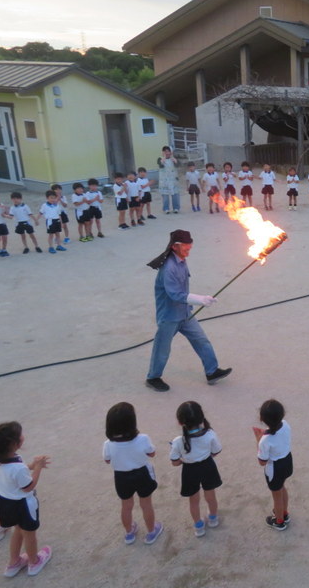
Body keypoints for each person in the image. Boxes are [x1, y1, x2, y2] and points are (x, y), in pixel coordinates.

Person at [144, 229, 231, 392]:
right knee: (162, 348)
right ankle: (153, 377)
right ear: (176, 246)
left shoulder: (182, 261)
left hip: (184, 313)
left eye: (190, 246)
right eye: (186, 246)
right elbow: (175, 294)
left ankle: (212, 372)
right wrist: (200, 299)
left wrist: (199, 300)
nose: (189, 249)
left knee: (201, 340)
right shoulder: (169, 268)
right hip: (169, 316)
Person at [102, 402, 163, 545]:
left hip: (121, 477)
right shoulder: (143, 439)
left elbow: (107, 460)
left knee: (126, 505)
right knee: (146, 504)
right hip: (142, 473)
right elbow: (152, 453)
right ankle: (151, 531)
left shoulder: (108, 444)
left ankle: (129, 533)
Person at [0, 422, 52, 577]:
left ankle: (13, 563)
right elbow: (28, 486)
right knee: (29, 534)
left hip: (6, 502)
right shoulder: (17, 468)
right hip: (23, 505)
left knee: (18, 531)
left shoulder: (3, 460)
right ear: (15, 443)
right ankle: (34, 562)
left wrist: (32, 465)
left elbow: (18, 473)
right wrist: (38, 468)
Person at [170, 401, 222, 538]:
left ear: (180, 422)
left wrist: (184, 459)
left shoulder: (178, 441)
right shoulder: (210, 434)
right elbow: (216, 451)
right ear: (201, 418)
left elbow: (175, 462)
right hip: (207, 466)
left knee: (193, 500)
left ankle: (198, 526)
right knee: (211, 495)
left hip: (189, 470)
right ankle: (213, 518)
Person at [255, 399, 293, 531]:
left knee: (276, 495)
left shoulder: (265, 440)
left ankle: (279, 521)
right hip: (287, 461)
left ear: (262, 419)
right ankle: (284, 512)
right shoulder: (286, 425)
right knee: (282, 487)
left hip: (274, 468)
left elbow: (262, 461)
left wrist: (258, 440)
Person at [157, 146, 181, 214]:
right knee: (165, 195)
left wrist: (175, 161)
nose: (167, 153)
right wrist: (163, 158)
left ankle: (176, 208)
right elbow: (160, 165)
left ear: (171, 152)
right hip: (164, 180)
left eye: (168, 151)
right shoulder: (160, 159)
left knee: (175, 194)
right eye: (165, 151)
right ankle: (166, 208)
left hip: (173, 179)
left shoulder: (174, 159)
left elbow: (178, 165)